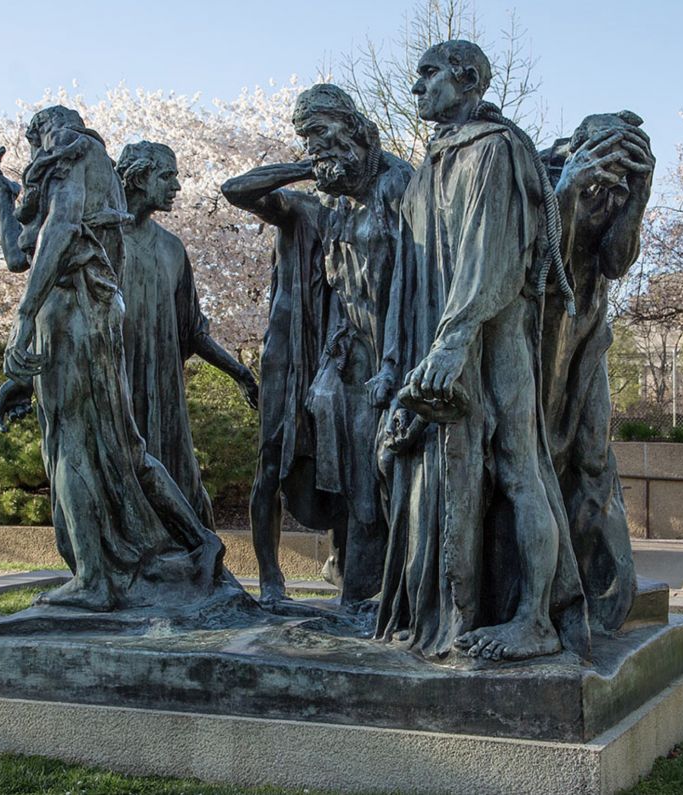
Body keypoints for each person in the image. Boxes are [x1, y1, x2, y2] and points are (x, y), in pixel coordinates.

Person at [376, 41, 589, 662]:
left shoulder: (495, 148)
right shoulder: (431, 163)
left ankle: (535, 620)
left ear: (467, 79)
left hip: (491, 335)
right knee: (448, 470)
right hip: (438, 341)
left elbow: (491, 253)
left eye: (429, 74)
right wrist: (396, 361)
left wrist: (455, 338)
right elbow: (408, 271)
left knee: (519, 468)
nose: (417, 87)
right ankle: (449, 608)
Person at [0, 106, 227, 611]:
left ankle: (93, 578)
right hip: (84, 317)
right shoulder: (86, 169)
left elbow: (61, 228)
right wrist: (3, 194)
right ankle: (200, 542)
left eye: (33, 141)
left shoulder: (71, 146)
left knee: (70, 446)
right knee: (125, 449)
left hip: (70, 310)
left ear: (42, 130)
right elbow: (18, 255)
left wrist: (24, 318)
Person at [221, 85, 412, 604]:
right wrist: (308, 166)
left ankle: (365, 579)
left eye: (320, 132)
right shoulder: (315, 206)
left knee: (366, 469)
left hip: (366, 354)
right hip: (316, 357)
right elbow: (235, 190)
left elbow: (402, 277)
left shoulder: (391, 187)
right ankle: (303, 581)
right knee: (311, 468)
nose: (314, 144)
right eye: (306, 137)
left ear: (353, 125)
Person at [540, 111, 655, 632]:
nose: (615, 174)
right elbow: (544, 262)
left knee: (591, 451)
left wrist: (638, 198)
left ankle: (599, 583)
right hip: (542, 337)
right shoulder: (545, 176)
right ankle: (547, 585)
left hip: (587, 335)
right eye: (611, 159)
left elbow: (615, 262)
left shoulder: (616, 190)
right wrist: (570, 186)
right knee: (545, 453)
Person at [117, 141, 259, 531]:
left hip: (164, 390)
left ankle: (194, 556)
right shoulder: (99, 239)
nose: (177, 186)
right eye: (167, 176)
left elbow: (193, 331)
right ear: (139, 178)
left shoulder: (172, 249)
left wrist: (241, 373)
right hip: (115, 384)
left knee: (181, 487)